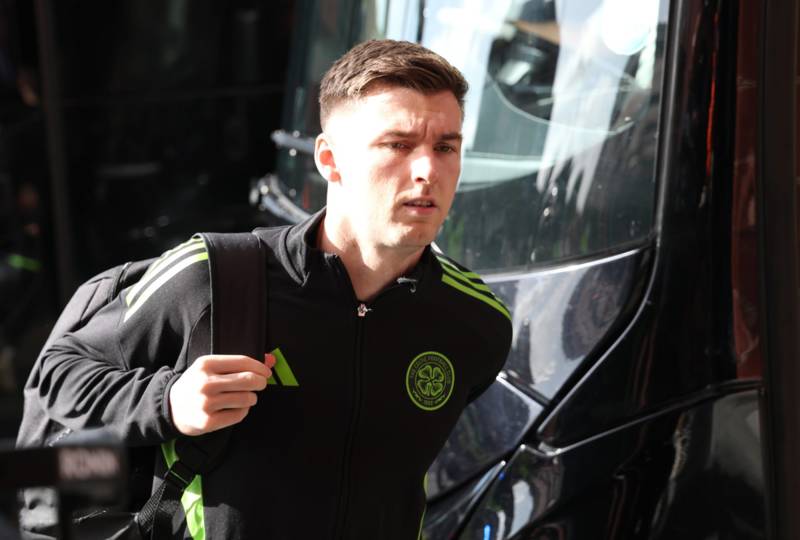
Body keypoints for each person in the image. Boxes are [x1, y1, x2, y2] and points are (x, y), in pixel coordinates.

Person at [18, 39, 513, 539]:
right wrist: (169, 402)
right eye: (398, 145)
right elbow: (58, 373)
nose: (428, 171)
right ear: (330, 159)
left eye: (445, 147)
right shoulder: (214, 275)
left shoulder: (477, 321)